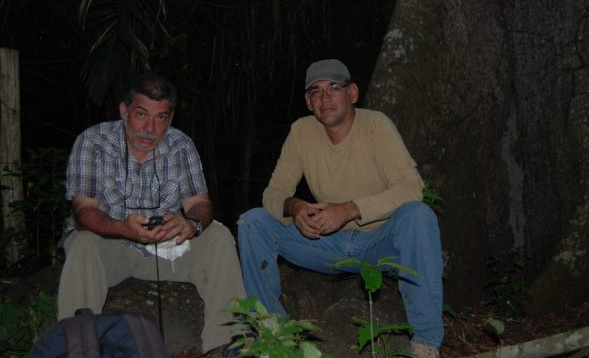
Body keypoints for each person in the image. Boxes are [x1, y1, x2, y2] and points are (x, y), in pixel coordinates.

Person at [237, 59, 443, 357]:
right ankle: (273, 335)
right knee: (252, 222)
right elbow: (274, 191)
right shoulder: (301, 132)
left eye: (334, 87)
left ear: (353, 93)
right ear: (308, 102)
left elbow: (412, 188)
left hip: (379, 243)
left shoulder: (376, 125)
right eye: (316, 91)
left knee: (418, 216)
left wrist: (350, 209)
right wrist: (294, 206)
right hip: (325, 244)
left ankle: (425, 343)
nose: (325, 97)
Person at [57, 72, 245, 357]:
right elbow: (84, 213)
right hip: (109, 246)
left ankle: (228, 345)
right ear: (124, 110)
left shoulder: (181, 145)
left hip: (166, 248)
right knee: (82, 242)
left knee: (218, 234)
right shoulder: (93, 142)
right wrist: (123, 228)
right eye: (141, 114)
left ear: (170, 119)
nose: (150, 128)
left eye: (161, 118)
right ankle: (77, 348)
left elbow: (200, 203)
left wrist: (191, 223)